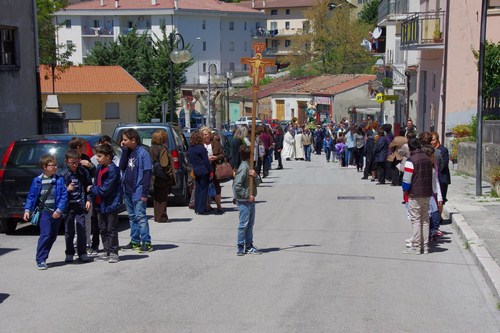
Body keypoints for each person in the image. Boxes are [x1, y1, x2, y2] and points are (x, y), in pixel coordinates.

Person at [24, 155, 68, 270]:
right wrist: (27, 210)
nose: (55, 167)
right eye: (52, 165)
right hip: (44, 212)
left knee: (52, 236)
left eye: (55, 165)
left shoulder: (59, 179)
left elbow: (64, 196)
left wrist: (59, 210)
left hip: (56, 213)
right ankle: (40, 259)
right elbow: (31, 196)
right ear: (44, 167)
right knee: (46, 234)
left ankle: (44, 257)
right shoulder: (38, 180)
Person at [119, 128, 153, 253]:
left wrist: (145, 192)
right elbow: (122, 167)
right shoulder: (128, 152)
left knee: (141, 217)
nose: (123, 142)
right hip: (127, 190)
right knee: (132, 217)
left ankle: (146, 242)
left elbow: (147, 173)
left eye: (125, 140)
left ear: (133, 140)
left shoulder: (143, 153)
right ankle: (135, 241)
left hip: (138, 190)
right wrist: (123, 152)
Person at [89, 144, 123, 263]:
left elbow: (105, 189)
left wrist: (91, 189)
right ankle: (107, 250)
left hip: (110, 203)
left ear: (108, 156)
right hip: (99, 203)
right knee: (102, 228)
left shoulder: (113, 170)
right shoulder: (100, 167)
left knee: (111, 229)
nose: (97, 158)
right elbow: (97, 183)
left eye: (99, 156)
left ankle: (114, 252)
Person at [402, 138, 434, 255]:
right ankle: (425, 247)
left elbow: (406, 180)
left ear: (410, 149)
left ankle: (416, 247)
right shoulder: (427, 159)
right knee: (425, 220)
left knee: (416, 220)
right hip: (427, 193)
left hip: (415, 194)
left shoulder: (411, 161)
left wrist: (405, 191)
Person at [61, 149, 93, 263]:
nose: (74, 164)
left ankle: (82, 252)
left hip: (80, 205)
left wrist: (88, 200)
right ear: (66, 162)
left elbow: (88, 186)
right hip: (69, 206)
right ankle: (69, 252)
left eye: (76, 162)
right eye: (71, 162)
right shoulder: (63, 175)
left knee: (81, 229)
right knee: (69, 230)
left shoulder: (83, 172)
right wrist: (67, 189)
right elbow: (59, 192)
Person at [233, 144, 262, 256]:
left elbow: (258, 183)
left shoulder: (250, 167)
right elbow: (237, 185)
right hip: (244, 201)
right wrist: (247, 196)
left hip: (251, 200)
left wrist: (255, 175)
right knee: (243, 224)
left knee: (250, 224)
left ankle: (249, 245)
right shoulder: (244, 168)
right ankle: (241, 246)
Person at [149, 129, 175, 222]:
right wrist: (169, 173)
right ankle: (162, 217)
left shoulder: (152, 147)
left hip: (155, 176)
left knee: (156, 198)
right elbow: (164, 163)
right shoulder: (163, 148)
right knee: (163, 197)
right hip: (163, 176)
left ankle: (157, 216)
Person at [187, 131, 212, 215]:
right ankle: (201, 208)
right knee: (204, 189)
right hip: (204, 170)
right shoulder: (201, 148)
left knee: (197, 189)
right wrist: (210, 170)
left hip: (196, 170)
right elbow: (206, 161)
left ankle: (197, 207)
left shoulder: (190, 148)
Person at [201, 127, 224, 213]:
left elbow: (222, 155)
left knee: (217, 187)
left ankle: (219, 206)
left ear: (210, 134)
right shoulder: (200, 145)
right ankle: (207, 205)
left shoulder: (215, 144)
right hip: (204, 170)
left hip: (214, 169)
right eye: (203, 135)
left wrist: (216, 157)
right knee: (205, 187)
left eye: (206, 134)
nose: (205, 136)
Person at [431, 131, 451, 204]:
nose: (431, 142)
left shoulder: (443, 150)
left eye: (433, 140)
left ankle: (439, 215)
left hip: (442, 177)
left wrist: (435, 171)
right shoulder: (430, 150)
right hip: (433, 178)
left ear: (437, 140)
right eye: (430, 140)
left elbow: (444, 164)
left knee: (441, 200)